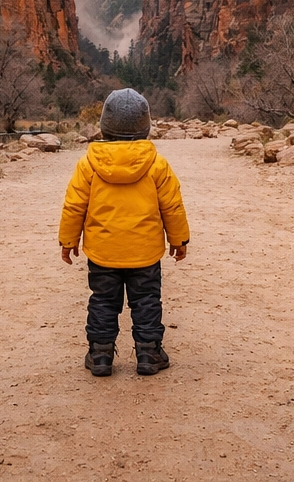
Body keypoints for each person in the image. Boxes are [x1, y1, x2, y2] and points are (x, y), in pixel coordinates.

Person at [58, 88, 190, 377]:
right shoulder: (156, 164)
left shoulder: (88, 164)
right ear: (145, 127)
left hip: (103, 252)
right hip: (144, 253)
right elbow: (172, 205)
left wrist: (69, 241)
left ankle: (101, 355)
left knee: (103, 301)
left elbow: (74, 204)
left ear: (105, 125)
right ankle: (149, 354)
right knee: (146, 302)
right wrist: (178, 240)